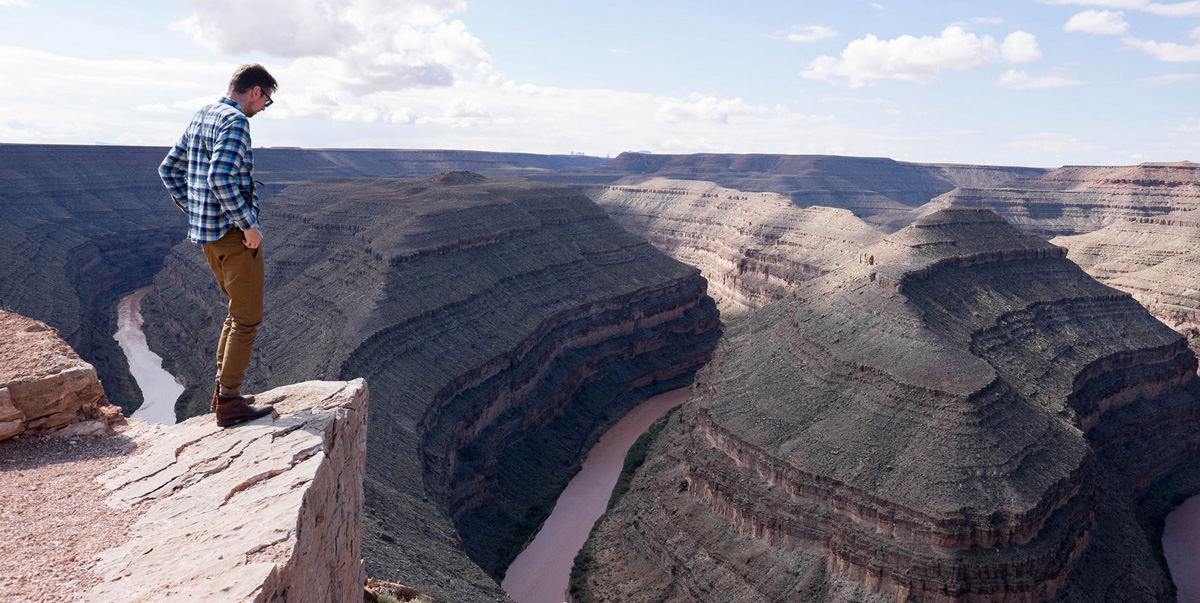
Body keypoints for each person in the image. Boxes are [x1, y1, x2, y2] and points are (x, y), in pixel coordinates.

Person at [158, 63, 277, 427]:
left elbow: (168, 169)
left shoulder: (204, 114)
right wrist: (248, 224)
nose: (263, 109)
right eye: (266, 101)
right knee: (247, 317)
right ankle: (229, 403)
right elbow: (221, 177)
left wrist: (196, 211)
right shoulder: (236, 122)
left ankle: (224, 391)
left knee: (235, 312)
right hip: (233, 237)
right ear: (255, 91)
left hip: (208, 236)